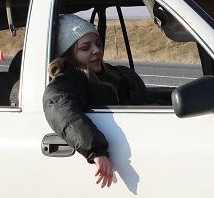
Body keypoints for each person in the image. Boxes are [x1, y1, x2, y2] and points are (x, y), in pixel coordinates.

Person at [42, 13, 148, 188]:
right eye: (85, 48)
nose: (96, 50)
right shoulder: (69, 81)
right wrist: (96, 151)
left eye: (98, 44)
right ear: (68, 54)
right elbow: (59, 107)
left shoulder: (118, 75)